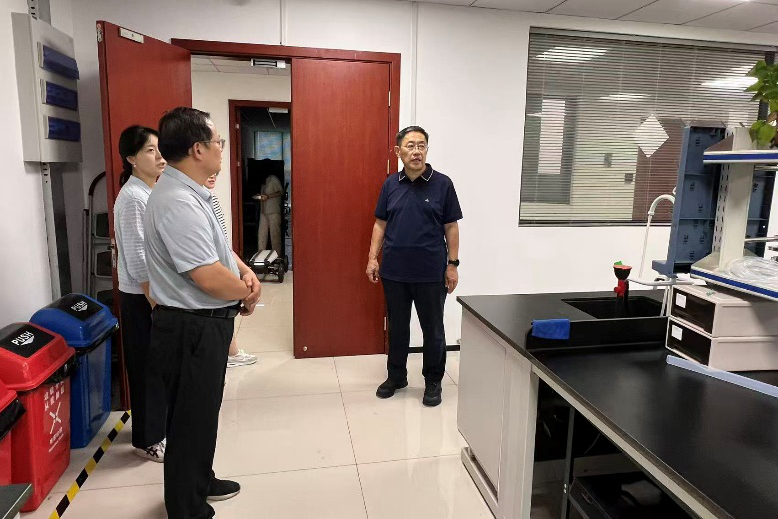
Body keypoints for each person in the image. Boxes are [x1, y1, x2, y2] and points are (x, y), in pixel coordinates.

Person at [144, 107, 261, 519]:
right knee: (190, 418)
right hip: (190, 327)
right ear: (198, 149)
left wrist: (244, 271)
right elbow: (207, 276)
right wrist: (247, 294)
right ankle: (186, 508)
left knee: (200, 413)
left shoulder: (193, 192)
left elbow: (218, 249)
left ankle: (200, 480)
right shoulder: (177, 201)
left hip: (200, 324)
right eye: (218, 142)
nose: (221, 149)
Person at [366, 126, 462, 407]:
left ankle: (433, 381)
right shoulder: (390, 184)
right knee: (397, 328)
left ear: (427, 150)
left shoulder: (442, 184)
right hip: (394, 272)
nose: (416, 151)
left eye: (421, 145)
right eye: (410, 146)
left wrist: (452, 264)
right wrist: (372, 258)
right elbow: (380, 223)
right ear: (399, 151)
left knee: (433, 330)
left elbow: (451, 227)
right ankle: (396, 377)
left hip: (431, 273)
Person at [114, 125, 167, 462]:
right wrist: (155, 304)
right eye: (150, 150)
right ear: (132, 158)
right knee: (147, 367)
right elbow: (137, 258)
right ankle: (147, 439)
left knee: (156, 366)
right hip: (141, 296)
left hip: (152, 293)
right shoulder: (133, 197)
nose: (159, 156)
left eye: (160, 148)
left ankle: (154, 428)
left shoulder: (149, 191)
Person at [204, 171, 258, 368]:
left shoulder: (210, 198)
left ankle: (231, 353)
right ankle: (230, 354)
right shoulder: (187, 202)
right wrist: (243, 291)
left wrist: (246, 271)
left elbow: (224, 245)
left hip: (222, 271)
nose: (213, 174)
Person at [253, 173, 284, 254]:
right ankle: (260, 253)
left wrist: (268, 196)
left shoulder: (273, 179)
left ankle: (276, 255)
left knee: (275, 235)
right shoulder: (264, 183)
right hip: (264, 211)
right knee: (262, 234)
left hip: (273, 211)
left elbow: (281, 192)